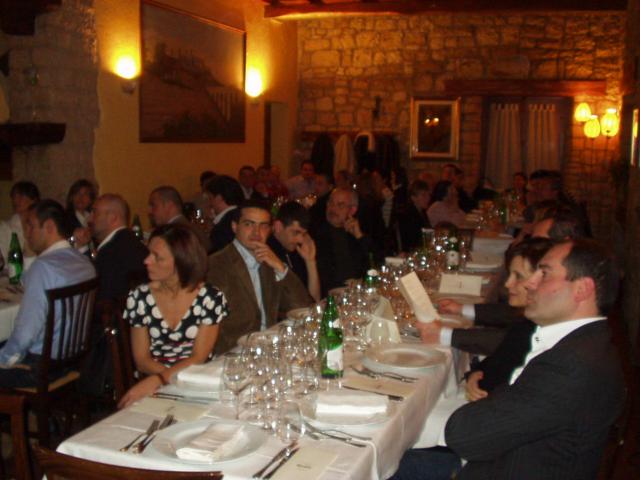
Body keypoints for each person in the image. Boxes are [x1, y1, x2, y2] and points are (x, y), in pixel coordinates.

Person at [445, 238, 624, 478]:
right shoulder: (589, 343)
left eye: (544, 274)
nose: (530, 283)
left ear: (582, 289)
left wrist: (498, 397)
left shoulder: (569, 365)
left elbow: (463, 435)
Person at [119, 224, 227, 407]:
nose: (146, 261)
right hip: (153, 380)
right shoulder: (140, 297)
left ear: (181, 262)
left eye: (157, 257)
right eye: (149, 253)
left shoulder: (210, 298)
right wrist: (167, 379)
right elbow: (142, 360)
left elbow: (198, 357)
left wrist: (164, 378)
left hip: (198, 380)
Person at [0, 200, 95, 387]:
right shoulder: (85, 263)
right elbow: (26, 281)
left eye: (30, 226)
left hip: (39, 367)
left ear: (49, 227)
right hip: (71, 360)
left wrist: (3, 360)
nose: (27, 233)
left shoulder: (43, 268)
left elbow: (25, 333)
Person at [207, 199, 311, 354]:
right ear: (235, 226)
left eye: (263, 226)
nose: (257, 232)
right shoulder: (216, 265)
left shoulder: (269, 261)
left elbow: (302, 307)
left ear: (270, 230)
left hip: (270, 348)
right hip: (234, 354)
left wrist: (281, 268)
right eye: (249, 224)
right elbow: (215, 328)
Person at [312, 187, 377, 296]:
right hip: (335, 296)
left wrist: (359, 236)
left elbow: (376, 263)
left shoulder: (356, 231)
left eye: (340, 205)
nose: (333, 208)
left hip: (361, 292)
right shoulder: (316, 234)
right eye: (331, 203)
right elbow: (323, 277)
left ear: (352, 210)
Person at [89, 193, 148, 301]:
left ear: (113, 218)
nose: (90, 218)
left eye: (95, 213)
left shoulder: (109, 254)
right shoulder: (134, 243)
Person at [268, 201, 321, 301]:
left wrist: (310, 261)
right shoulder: (268, 253)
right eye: (296, 232)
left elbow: (314, 300)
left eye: (303, 234)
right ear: (278, 227)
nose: (300, 240)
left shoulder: (296, 251)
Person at [148, 185, 210, 252]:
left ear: (169, 206)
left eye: (153, 205)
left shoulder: (174, 234)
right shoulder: (192, 228)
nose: (150, 211)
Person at [0, 181, 40, 262]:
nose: (16, 200)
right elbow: (3, 261)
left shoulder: (42, 225)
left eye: (21, 196)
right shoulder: (5, 227)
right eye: (14, 196)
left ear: (33, 200)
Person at [205, 175, 245, 253]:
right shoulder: (243, 214)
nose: (209, 203)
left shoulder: (221, 229)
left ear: (219, 198)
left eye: (210, 198)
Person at [397, 179, 431, 253]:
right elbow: (412, 241)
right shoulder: (407, 215)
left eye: (428, 195)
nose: (428, 198)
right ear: (413, 198)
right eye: (424, 195)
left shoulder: (422, 212)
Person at [64, 179, 97, 251]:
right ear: (71, 197)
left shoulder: (94, 217)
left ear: (91, 199)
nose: (80, 197)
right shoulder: (65, 218)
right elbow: (66, 242)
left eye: (85, 194)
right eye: (77, 193)